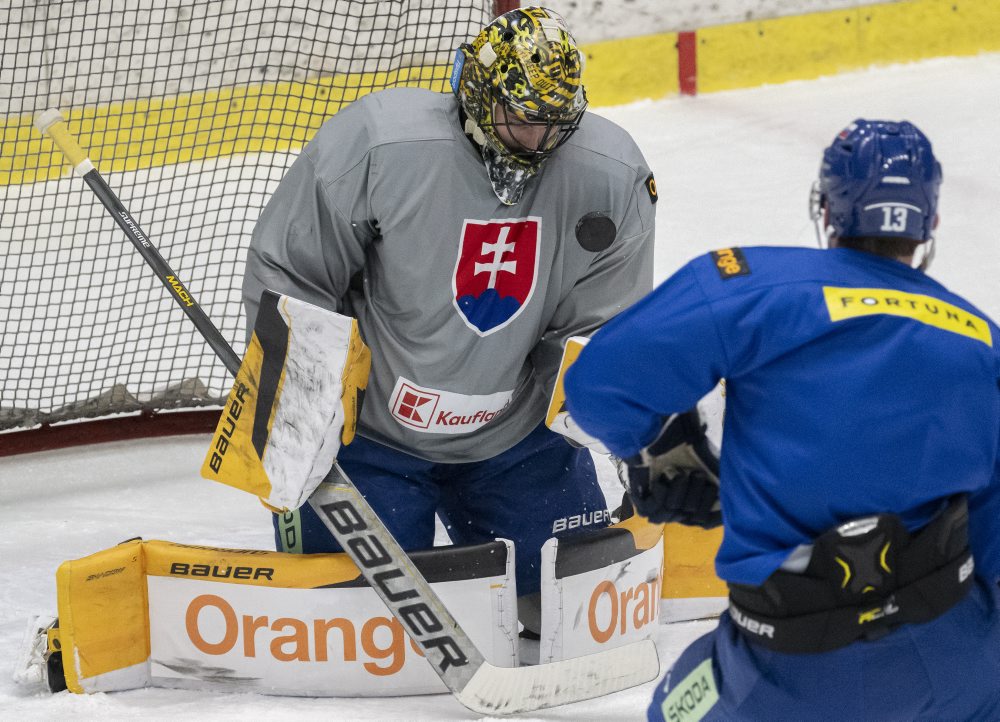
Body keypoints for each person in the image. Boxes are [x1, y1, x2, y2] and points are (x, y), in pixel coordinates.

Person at [564, 119, 1000, 720]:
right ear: (929, 224)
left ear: (828, 209)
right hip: (956, 661)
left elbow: (597, 384)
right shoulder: (983, 339)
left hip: (786, 667)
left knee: (674, 708)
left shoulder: (752, 284)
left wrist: (660, 446)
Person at [240, 7, 656, 629]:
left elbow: (600, 329)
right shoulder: (381, 145)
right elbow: (294, 274)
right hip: (368, 442)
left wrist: (613, 427)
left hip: (514, 442)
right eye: (520, 119)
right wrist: (301, 408)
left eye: (555, 124)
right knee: (358, 633)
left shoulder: (614, 176)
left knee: (572, 612)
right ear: (476, 92)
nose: (537, 140)